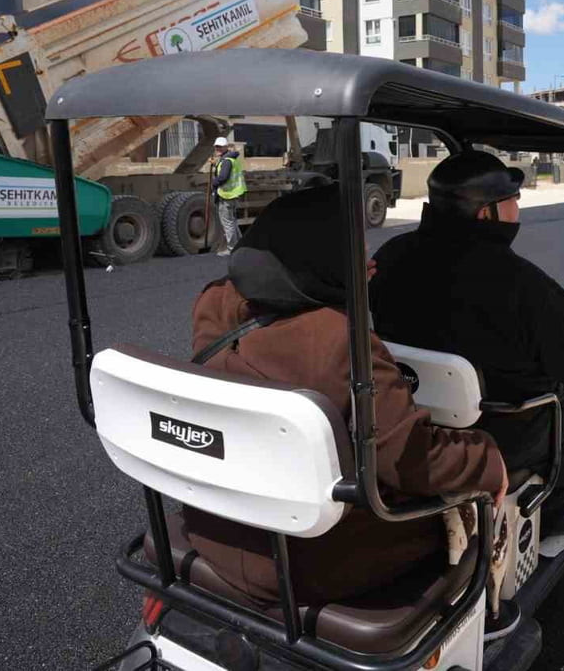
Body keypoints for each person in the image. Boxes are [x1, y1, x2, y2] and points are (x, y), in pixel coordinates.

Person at [182, 184, 512, 629]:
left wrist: (341, 283)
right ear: (323, 256)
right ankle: (493, 618)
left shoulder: (213, 304)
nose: (366, 258)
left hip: (217, 529)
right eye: (354, 250)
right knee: (477, 497)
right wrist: (488, 458)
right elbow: (411, 460)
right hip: (308, 559)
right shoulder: (339, 340)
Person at [370, 151, 564, 539]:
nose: (518, 206)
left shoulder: (389, 256)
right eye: (511, 199)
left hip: (410, 414)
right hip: (497, 427)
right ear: (485, 214)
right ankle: (553, 515)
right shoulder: (522, 285)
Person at [211, 136, 245, 255]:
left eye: (220, 147)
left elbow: (223, 177)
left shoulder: (226, 161)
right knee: (232, 222)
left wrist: (213, 182)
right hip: (233, 194)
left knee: (228, 223)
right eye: (217, 147)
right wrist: (216, 164)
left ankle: (232, 249)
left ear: (226, 147)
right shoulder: (229, 159)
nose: (218, 148)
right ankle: (240, 245)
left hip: (227, 196)